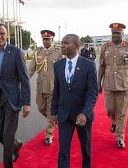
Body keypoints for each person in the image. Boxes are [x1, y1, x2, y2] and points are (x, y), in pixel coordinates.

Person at [0, 23, 31, 168]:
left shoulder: (16, 52)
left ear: (7, 34)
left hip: (12, 99)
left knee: (8, 136)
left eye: (2, 33)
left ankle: (8, 164)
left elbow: (24, 78)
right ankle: (16, 145)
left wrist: (26, 102)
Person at [50, 34, 98, 168]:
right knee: (63, 151)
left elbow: (92, 92)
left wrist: (85, 113)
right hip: (64, 115)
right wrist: (53, 113)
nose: (62, 46)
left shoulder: (88, 65)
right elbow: (57, 92)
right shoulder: (58, 65)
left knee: (85, 150)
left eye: (66, 43)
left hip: (83, 116)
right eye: (62, 43)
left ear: (76, 46)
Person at [98, 23, 128, 149]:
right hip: (109, 84)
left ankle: (120, 136)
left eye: (117, 33)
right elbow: (102, 66)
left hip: (124, 84)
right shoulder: (105, 47)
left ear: (122, 34)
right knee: (109, 109)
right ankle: (114, 121)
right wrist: (98, 83)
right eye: (113, 33)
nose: (115, 35)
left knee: (122, 112)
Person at [28, 29, 62, 146]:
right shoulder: (38, 53)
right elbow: (31, 69)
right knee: (40, 107)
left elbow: (63, 70)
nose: (46, 41)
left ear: (52, 40)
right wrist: (25, 80)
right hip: (41, 87)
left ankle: (49, 134)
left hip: (53, 88)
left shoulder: (58, 53)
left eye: (48, 39)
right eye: (44, 39)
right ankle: (53, 119)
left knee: (50, 112)